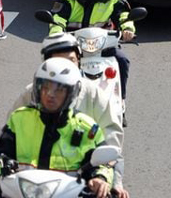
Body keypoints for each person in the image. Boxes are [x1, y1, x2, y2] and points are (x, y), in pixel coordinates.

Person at [0, 58, 113, 198]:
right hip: (22, 192)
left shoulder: (87, 128)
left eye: (59, 90)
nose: (50, 95)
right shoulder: (19, 118)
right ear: (37, 88)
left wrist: (100, 178)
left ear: (72, 93)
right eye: (45, 87)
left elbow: (103, 163)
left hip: (68, 194)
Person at [11, 34, 127, 198]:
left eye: (71, 60)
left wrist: (108, 181)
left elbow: (110, 141)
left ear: (79, 60)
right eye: (60, 61)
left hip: (80, 178)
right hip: (32, 182)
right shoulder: (28, 96)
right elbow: (6, 145)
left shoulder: (94, 94)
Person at [48, 0, 135, 103]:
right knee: (52, 66)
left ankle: (120, 101)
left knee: (122, 61)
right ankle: (54, 103)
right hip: (74, 45)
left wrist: (127, 28)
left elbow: (123, 14)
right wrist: (56, 31)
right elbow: (58, 16)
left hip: (104, 45)